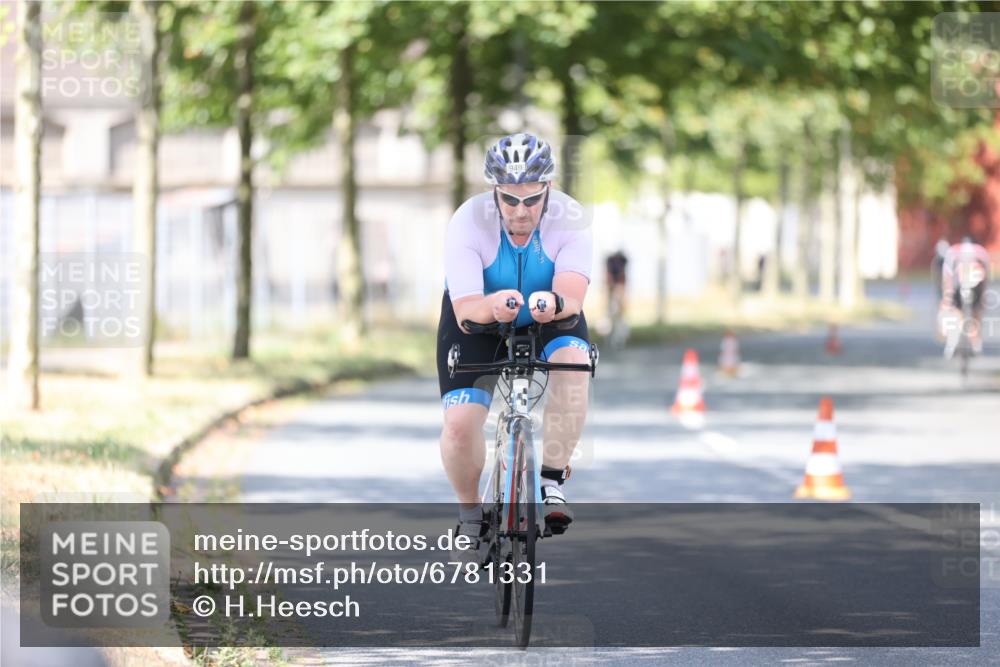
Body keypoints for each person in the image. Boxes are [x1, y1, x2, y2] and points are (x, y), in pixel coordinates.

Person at [437, 133, 592, 562]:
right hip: (479, 319)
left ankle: (551, 480)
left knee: (575, 365)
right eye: (509, 200)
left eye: (532, 200)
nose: (521, 211)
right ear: (494, 193)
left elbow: (572, 295)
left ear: (548, 191)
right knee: (459, 426)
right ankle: (470, 515)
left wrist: (554, 303)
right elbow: (466, 307)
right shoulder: (468, 221)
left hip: (549, 311)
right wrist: (492, 306)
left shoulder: (570, 217)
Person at [939, 235, 991, 355]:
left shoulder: (953, 250)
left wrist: (946, 297)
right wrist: (983, 297)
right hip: (977, 284)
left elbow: (947, 276)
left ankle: (952, 342)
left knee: (955, 311)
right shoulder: (981, 251)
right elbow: (986, 277)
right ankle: (976, 343)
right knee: (976, 313)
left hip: (959, 285)